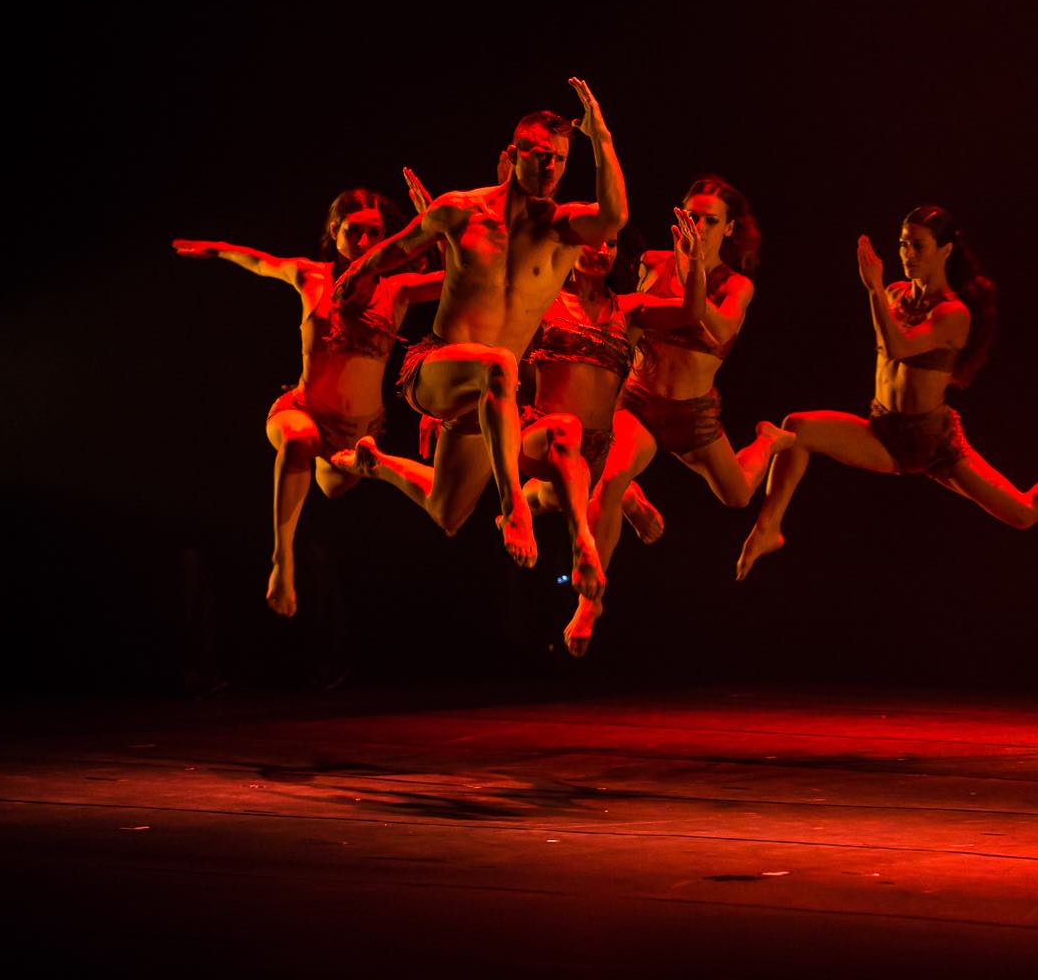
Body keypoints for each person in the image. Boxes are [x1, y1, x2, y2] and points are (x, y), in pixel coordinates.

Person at [336, 211, 706, 656]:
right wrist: (453, 397)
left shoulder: (627, 310)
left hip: (591, 453)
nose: (601, 250)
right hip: (540, 435)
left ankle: (383, 466)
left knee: (452, 509)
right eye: (593, 242)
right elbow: (478, 303)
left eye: (610, 245)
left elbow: (690, 312)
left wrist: (694, 263)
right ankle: (585, 559)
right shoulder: (543, 303)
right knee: (565, 444)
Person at [331, 79, 626, 594]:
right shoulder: (461, 209)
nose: (550, 167)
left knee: (449, 512)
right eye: (539, 155)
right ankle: (514, 504)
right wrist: (358, 273)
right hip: (437, 369)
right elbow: (400, 247)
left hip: (495, 398)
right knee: (499, 363)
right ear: (513, 156)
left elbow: (615, 216)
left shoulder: (563, 228)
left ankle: (378, 465)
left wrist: (600, 138)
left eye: (559, 158)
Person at [735, 205, 1038, 580]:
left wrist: (873, 290)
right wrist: (880, 291)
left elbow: (899, 347)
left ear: (944, 251)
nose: (907, 254)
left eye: (918, 245)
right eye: (903, 244)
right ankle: (768, 528)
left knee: (1023, 512)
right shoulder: (895, 294)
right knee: (796, 429)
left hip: (930, 441)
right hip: (883, 429)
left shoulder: (951, 313)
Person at [172, 189, 442, 616]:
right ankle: (283, 558)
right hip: (303, 408)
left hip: (358, 432)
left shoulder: (398, 289)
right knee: (298, 438)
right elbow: (262, 262)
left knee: (333, 488)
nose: (365, 242)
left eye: (375, 233)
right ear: (335, 231)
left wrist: (440, 226)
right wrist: (220, 250)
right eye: (355, 231)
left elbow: (468, 278)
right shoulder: (310, 276)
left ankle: (348, 462)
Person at [588, 176, 792, 574]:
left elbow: (720, 329)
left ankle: (766, 441)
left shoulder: (736, 286)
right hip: (640, 402)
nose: (698, 227)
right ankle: (590, 599)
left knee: (736, 497)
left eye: (711, 221)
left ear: (729, 227)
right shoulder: (651, 263)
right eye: (691, 216)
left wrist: (692, 271)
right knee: (608, 477)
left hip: (692, 415)